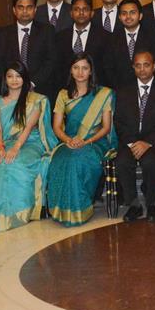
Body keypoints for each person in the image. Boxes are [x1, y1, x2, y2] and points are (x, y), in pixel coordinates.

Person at [0, 61, 58, 233]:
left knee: (16, 164)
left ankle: (17, 214)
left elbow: (27, 129)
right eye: (10, 76)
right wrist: (0, 147)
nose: (14, 80)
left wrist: (15, 148)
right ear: (5, 79)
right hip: (2, 142)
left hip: (30, 143)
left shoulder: (36, 100)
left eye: (18, 76)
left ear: (25, 78)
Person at [45, 54, 116, 226]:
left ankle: (80, 209)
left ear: (91, 71)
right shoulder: (63, 95)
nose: (80, 72)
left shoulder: (103, 93)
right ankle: (61, 210)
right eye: (76, 67)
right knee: (61, 160)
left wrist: (86, 141)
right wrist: (68, 140)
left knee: (77, 161)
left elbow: (106, 127)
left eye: (84, 68)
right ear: (71, 70)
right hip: (68, 141)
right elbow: (56, 127)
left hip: (95, 142)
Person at [115, 50, 155, 222]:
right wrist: (132, 143)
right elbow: (119, 121)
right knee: (122, 162)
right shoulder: (123, 91)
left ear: (154, 66)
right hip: (130, 142)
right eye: (138, 65)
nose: (142, 69)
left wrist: (147, 142)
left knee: (150, 162)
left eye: (146, 65)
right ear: (133, 67)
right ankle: (133, 204)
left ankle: (152, 203)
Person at [98, 0, 155, 91]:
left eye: (132, 12)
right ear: (119, 17)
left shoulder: (153, 37)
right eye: (124, 13)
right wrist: (119, 89)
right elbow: (108, 67)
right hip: (119, 90)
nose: (128, 16)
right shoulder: (111, 39)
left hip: (148, 89)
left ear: (140, 16)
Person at [2, 0, 56, 92]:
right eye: (20, 7)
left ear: (35, 9)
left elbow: (51, 60)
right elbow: (2, 62)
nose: (25, 11)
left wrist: (32, 83)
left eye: (29, 7)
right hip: (12, 89)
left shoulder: (47, 30)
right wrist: (13, 82)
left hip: (40, 88)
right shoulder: (4, 33)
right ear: (14, 10)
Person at [53, 0, 96, 88]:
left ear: (92, 13)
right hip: (66, 89)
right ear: (71, 13)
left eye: (85, 9)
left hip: (95, 90)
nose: (81, 13)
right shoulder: (60, 36)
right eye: (76, 9)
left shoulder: (105, 36)